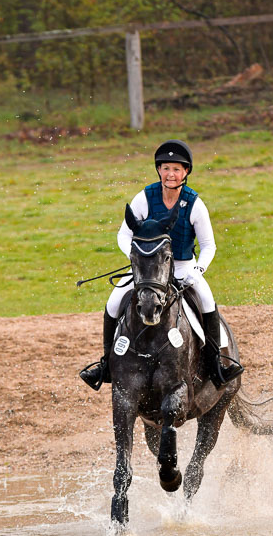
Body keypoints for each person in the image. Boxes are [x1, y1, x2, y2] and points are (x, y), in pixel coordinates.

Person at [80, 139, 244, 390]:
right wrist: (139, 261)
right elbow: (124, 235)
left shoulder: (194, 204)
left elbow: (208, 245)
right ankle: (105, 364)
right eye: (166, 168)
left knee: (208, 302)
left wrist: (198, 271)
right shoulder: (145, 198)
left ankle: (217, 364)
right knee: (114, 302)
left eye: (177, 169)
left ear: (185, 172)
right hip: (149, 269)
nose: (171, 174)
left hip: (183, 266)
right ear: (159, 170)